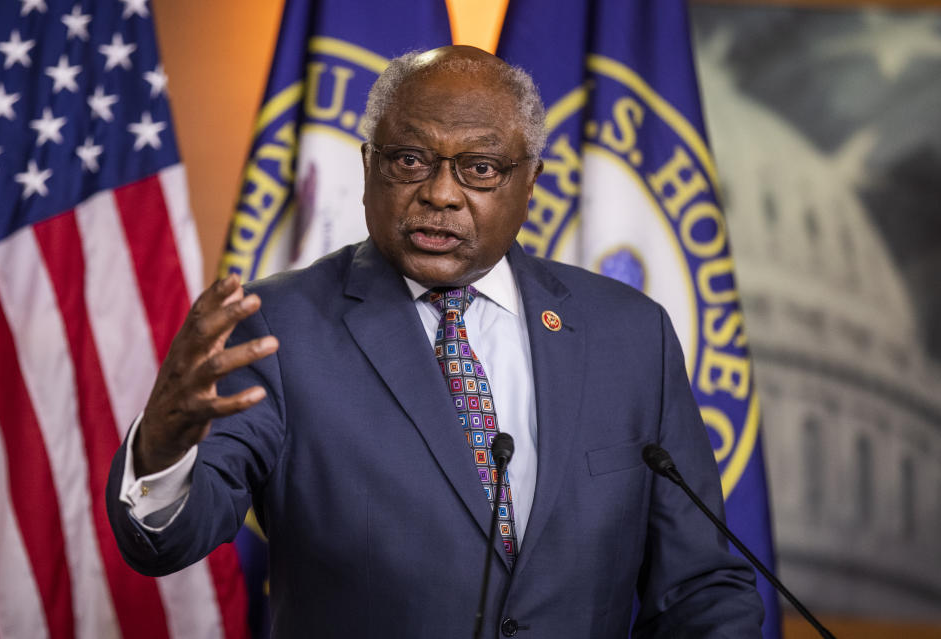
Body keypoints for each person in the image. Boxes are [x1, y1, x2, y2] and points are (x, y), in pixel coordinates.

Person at [107, 45, 764, 638]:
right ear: (369, 166)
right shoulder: (279, 325)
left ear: (529, 180)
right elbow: (169, 540)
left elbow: (699, 586)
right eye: (410, 159)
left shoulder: (628, 334)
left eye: (479, 167)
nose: (441, 194)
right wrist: (162, 447)